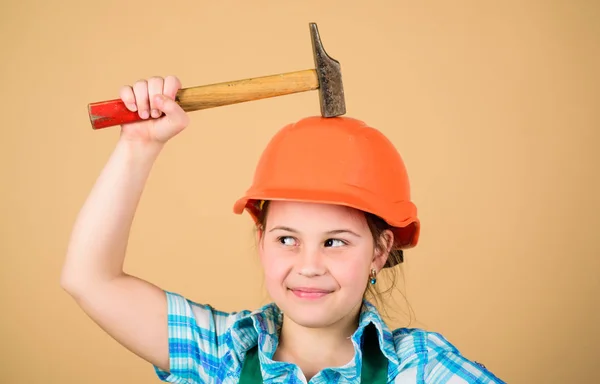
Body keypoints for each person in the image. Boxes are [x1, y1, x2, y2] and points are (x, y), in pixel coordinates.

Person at [61, 75, 505, 383]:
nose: (308, 266)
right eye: (287, 239)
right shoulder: (221, 356)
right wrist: (138, 146)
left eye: (335, 242)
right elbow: (89, 279)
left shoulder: (421, 370)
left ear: (380, 250)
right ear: (261, 240)